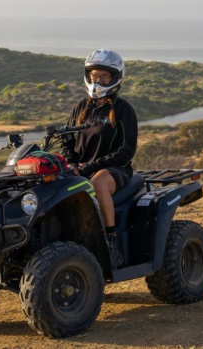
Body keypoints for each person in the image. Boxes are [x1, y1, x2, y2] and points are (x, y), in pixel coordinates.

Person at [63, 49, 138, 268]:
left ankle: (111, 241)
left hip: (116, 170)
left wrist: (91, 168)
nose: (98, 80)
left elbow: (126, 150)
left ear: (115, 78)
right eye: (94, 76)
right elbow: (67, 139)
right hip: (81, 169)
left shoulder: (123, 109)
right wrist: (72, 164)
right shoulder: (80, 107)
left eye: (104, 76)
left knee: (97, 182)